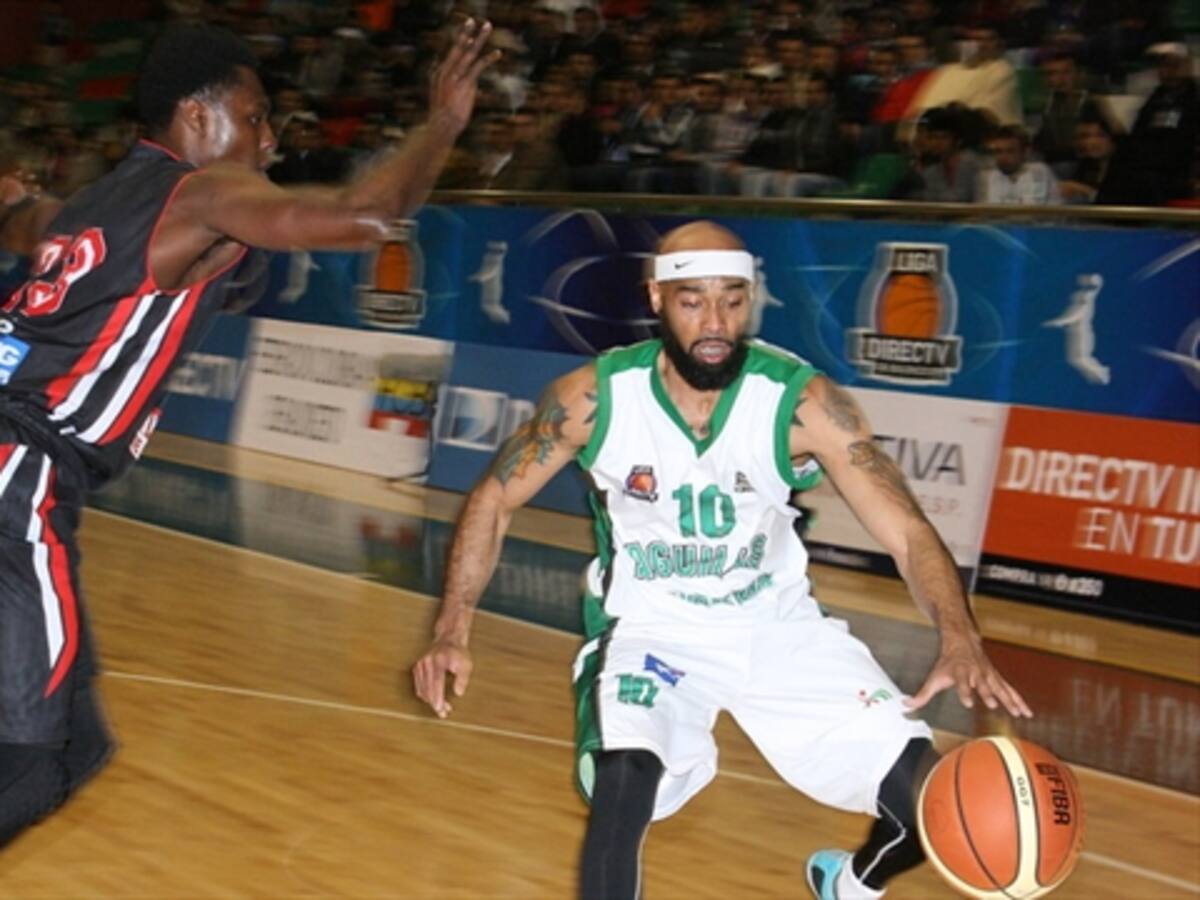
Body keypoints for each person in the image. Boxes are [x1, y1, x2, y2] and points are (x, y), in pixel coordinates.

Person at [412, 221, 1032, 899]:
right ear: (655, 297)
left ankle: (854, 884)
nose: (715, 321)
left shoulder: (801, 402)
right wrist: (453, 627)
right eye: (692, 300)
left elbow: (907, 531)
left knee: (932, 804)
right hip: (652, 632)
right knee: (625, 786)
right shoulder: (594, 398)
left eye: (733, 300)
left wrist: (959, 634)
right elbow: (495, 498)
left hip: (778, 629)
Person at [0, 19, 496, 848]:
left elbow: (23, 218)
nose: (270, 138)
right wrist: (443, 121)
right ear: (196, 118)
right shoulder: (198, 194)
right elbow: (368, 214)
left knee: (74, 746)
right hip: (21, 476)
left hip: (25, 475)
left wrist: (13, 197)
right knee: (33, 758)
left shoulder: (89, 203)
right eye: (257, 116)